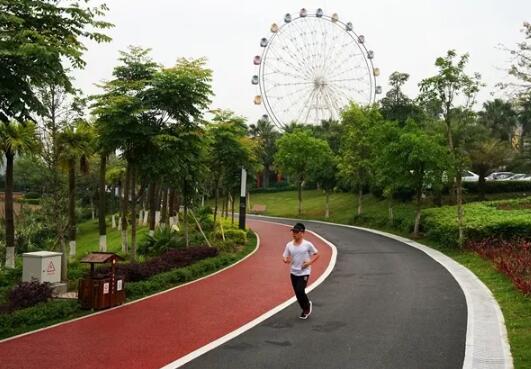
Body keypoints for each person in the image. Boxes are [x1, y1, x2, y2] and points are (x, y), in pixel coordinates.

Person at [282, 222, 319, 319]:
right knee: (297, 293)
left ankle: (306, 307)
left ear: (302, 233)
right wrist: (285, 260)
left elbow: (317, 254)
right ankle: (304, 308)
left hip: (304, 272)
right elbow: (284, 255)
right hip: (293, 272)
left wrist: (309, 263)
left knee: (300, 290)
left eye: (296, 232)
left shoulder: (307, 244)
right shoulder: (289, 245)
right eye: (293, 231)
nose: (293, 233)